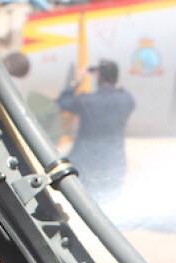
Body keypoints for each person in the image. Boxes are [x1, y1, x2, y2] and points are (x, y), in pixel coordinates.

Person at [56, 59, 135, 201]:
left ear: (99, 77)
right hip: (114, 160)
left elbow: (62, 103)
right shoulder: (127, 99)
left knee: (85, 203)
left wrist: (76, 82)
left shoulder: (86, 100)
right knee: (111, 202)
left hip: (86, 161)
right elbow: (122, 93)